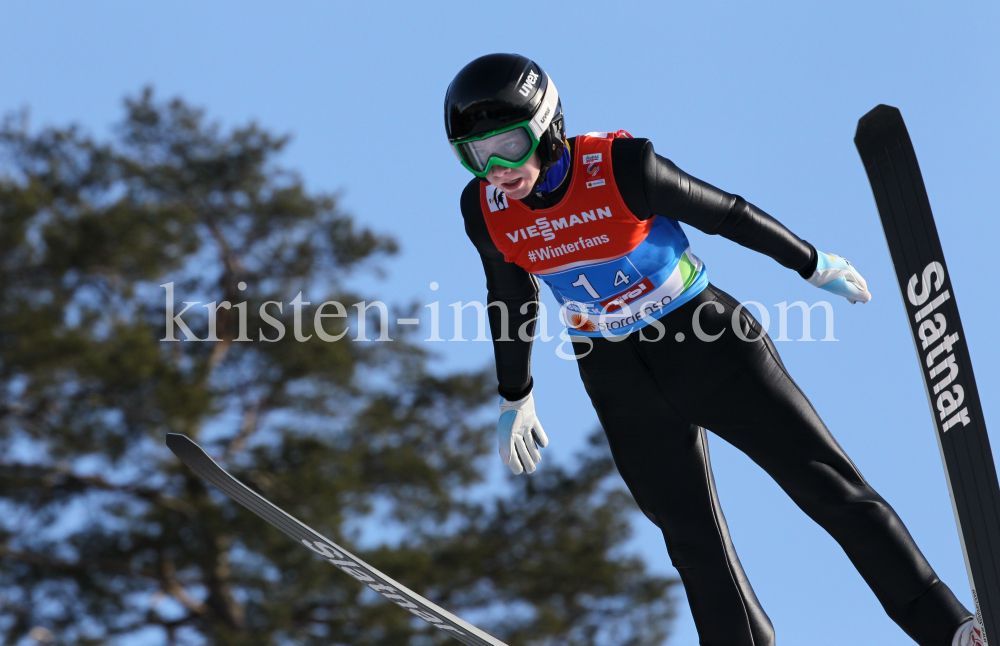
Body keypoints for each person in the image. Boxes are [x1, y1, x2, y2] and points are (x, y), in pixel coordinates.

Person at [444, 53, 980, 646]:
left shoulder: (622, 167)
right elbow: (510, 293)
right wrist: (515, 393)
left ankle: (951, 630)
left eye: (510, 145)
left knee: (827, 488)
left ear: (546, 123)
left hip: (704, 342)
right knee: (690, 541)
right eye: (476, 155)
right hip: (613, 372)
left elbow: (727, 213)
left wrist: (811, 263)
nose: (497, 168)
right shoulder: (484, 210)